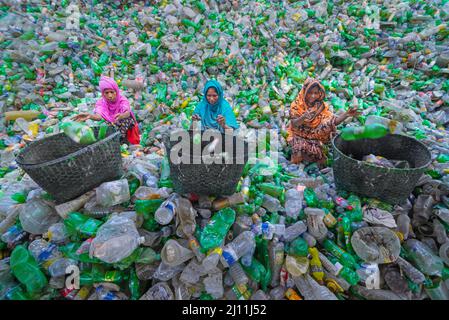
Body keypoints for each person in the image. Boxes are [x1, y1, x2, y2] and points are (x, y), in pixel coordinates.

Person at [287, 78, 360, 165]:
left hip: (315, 135)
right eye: (310, 93)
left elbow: (332, 121)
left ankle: (313, 150)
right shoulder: (297, 105)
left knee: (326, 126)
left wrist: (346, 114)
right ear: (304, 92)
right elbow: (294, 124)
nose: (313, 96)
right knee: (299, 150)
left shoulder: (321, 106)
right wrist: (303, 117)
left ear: (319, 93)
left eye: (316, 93)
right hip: (299, 134)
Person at [74, 76, 140, 144]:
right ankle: (116, 141)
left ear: (116, 92)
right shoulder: (101, 103)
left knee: (127, 120)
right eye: (107, 93)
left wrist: (121, 116)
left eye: (112, 92)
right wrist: (90, 116)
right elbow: (99, 116)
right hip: (113, 124)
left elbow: (127, 112)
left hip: (125, 125)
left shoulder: (122, 100)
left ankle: (123, 140)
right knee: (104, 125)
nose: (110, 96)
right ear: (103, 93)